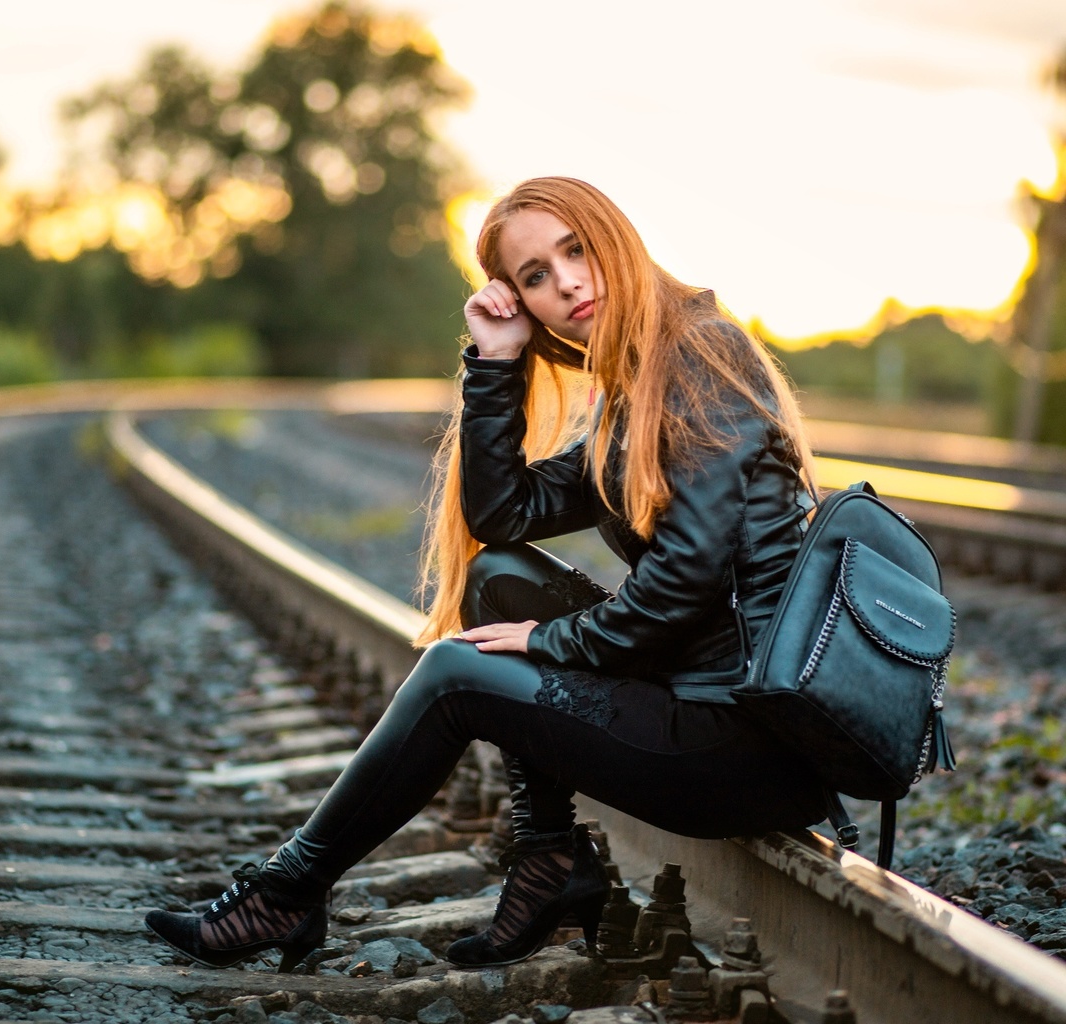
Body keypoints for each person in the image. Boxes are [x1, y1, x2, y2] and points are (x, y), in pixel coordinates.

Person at [145, 176, 827, 973]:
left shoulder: (700, 354)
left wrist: (554, 636)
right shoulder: (633, 385)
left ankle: (288, 891)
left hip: (749, 743)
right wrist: (496, 364)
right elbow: (504, 516)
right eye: (535, 274)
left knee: (456, 674)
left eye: (576, 250)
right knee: (498, 576)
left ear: (616, 238)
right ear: (522, 301)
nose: (566, 280)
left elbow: (690, 578)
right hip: (709, 701)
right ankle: (547, 861)